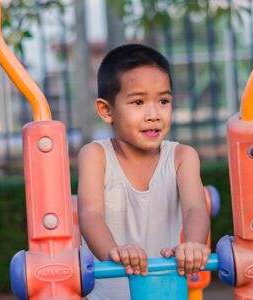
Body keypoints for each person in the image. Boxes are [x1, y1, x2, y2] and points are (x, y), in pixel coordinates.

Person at [77, 44, 211, 299]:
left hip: (164, 292)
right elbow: (90, 214)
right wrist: (114, 252)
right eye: (138, 102)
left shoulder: (182, 157)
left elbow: (195, 208)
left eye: (163, 101)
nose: (154, 114)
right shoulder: (96, 156)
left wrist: (193, 245)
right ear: (107, 110)